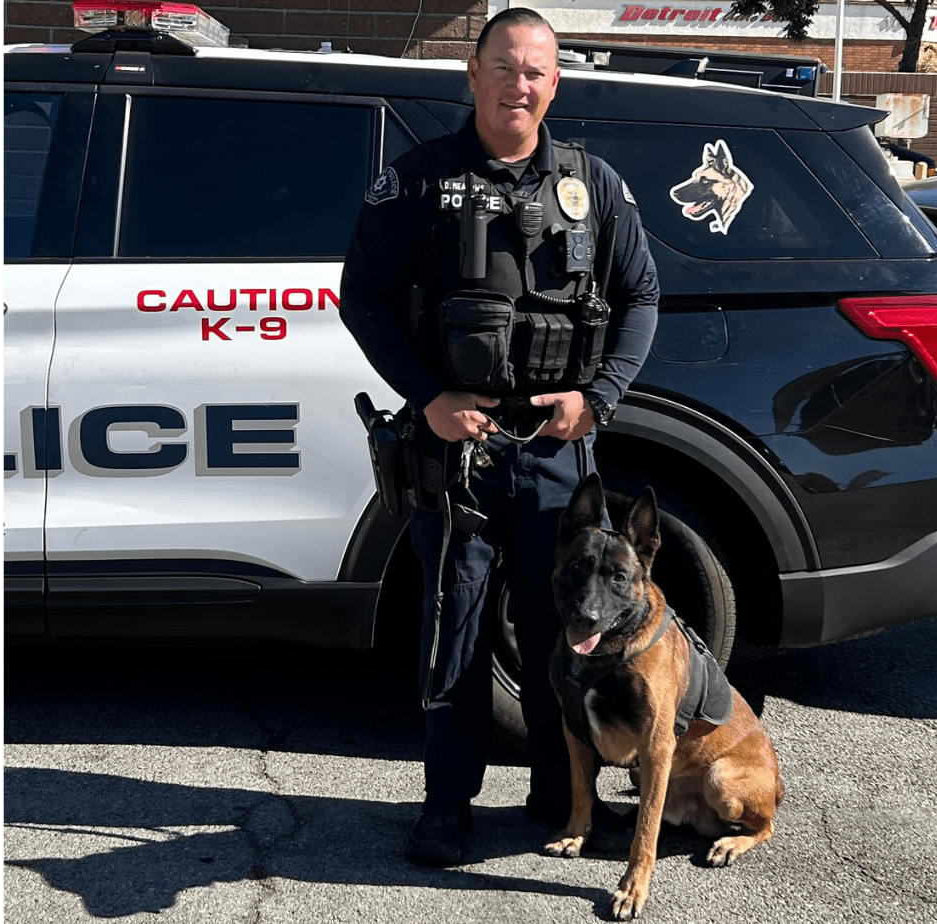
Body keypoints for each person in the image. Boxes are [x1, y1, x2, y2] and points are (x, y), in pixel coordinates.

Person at [339, 7, 659, 867]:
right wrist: (428, 396)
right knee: (456, 629)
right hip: (458, 453)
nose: (519, 85)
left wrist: (599, 398)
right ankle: (447, 807)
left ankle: (563, 800)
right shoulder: (416, 180)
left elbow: (640, 298)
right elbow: (360, 296)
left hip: (559, 455)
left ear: (554, 83)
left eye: (536, 72)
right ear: (472, 75)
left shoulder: (595, 187)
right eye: (504, 67)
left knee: (566, 636)